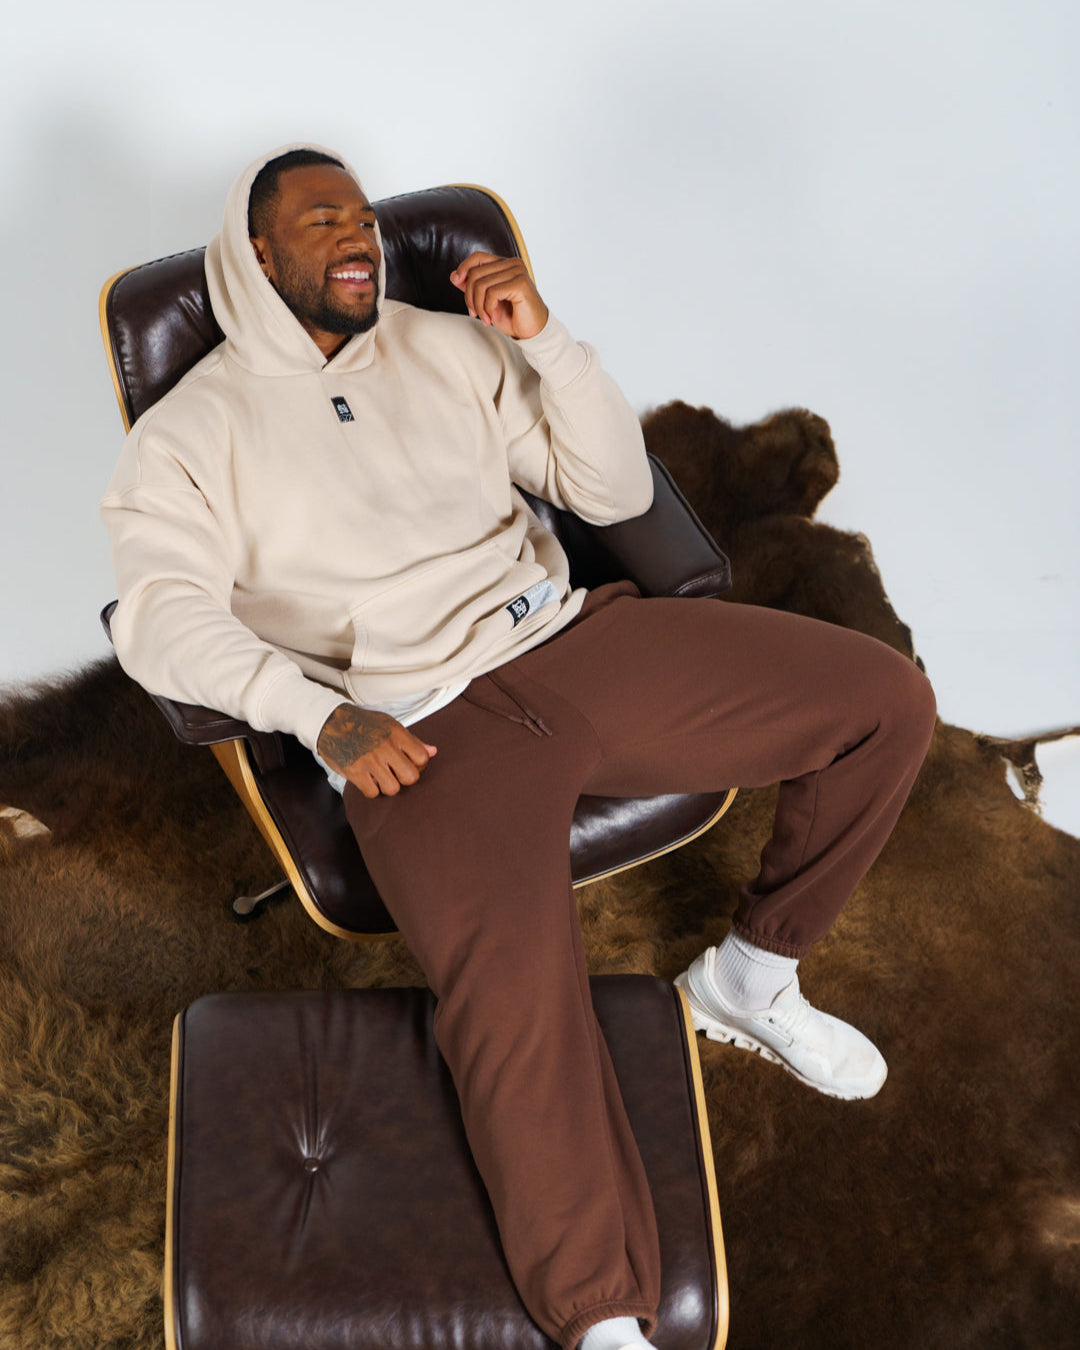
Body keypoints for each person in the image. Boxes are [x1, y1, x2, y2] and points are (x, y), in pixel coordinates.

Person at [101, 143, 937, 1350]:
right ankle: (602, 1316)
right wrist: (316, 714)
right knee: (516, 1000)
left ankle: (749, 980)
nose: (358, 234)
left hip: (567, 641)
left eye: (363, 216)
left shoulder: (445, 347)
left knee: (882, 702)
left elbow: (611, 493)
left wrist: (547, 343)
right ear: (258, 253)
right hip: (413, 723)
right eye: (322, 219)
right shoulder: (192, 432)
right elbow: (156, 619)